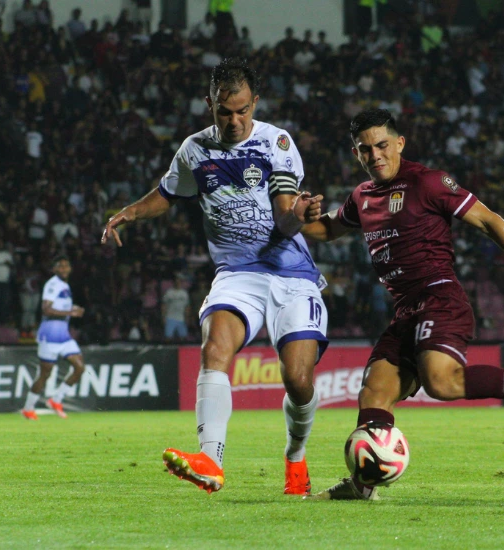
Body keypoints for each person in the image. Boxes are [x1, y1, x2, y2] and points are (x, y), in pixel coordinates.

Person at [298, 109, 504, 500]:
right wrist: (298, 214)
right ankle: (364, 486)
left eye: (382, 145)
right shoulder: (361, 197)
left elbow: (489, 220)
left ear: (399, 143)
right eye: (365, 150)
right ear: (356, 154)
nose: (375, 155)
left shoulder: (428, 182)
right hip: (405, 311)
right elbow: (325, 229)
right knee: (373, 394)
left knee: (442, 381)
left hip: (439, 298)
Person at [101, 58, 329, 496]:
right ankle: (210, 458)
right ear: (210, 105)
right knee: (215, 346)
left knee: (298, 381)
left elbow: (284, 221)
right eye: (225, 112)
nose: (235, 120)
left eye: (243, 110)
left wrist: (299, 214)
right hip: (237, 273)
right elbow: (168, 193)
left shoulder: (275, 142)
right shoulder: (193, 150)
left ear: (254, 103)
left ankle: (295, 457)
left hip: (290, 273)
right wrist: (129, 212)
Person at [21, 255, 86, 421]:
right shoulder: (52, 284)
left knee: (79, 367)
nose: (64, 269)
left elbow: (59, 307)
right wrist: (71, 312)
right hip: (49, 336)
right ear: (54, 269)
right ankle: (28, 408)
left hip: (63, 336)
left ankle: (55, 400)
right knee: (45, 374)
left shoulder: (64, 285)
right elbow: (46, 310)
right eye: (60, 266)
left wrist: (73, 308)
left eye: (66, 266)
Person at [162, 274, 190, 340]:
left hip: (181, 318)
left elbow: (187, 306)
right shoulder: (168, 292)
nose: (177, 283)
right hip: (170, 317)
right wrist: (163, 317)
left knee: (183, 337)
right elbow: (163, 305)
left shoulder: (184, 293)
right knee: (168, 337)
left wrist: (187, 317)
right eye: (176, 281)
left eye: (179, 281)